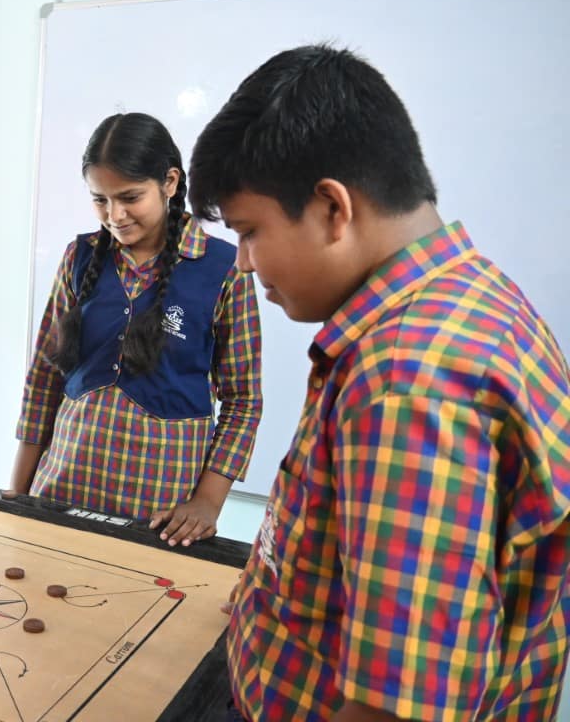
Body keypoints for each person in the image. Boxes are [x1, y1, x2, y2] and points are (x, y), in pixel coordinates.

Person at [189, 44, 570, 721]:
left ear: (333, 208)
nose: (243, 262)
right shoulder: (475, 297)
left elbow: (398, 707)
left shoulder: (405, 380)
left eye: (249, 231)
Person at [12, 112, 263, 547]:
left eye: (130, 197)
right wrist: (16, 495)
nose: (115, 215)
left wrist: (208, 502)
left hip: (160, 517)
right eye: (100, 200)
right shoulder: (79, 257)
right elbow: (43, 378)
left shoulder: (224, 269)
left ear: (169, 182)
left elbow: (243, 401)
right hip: (58, 496)